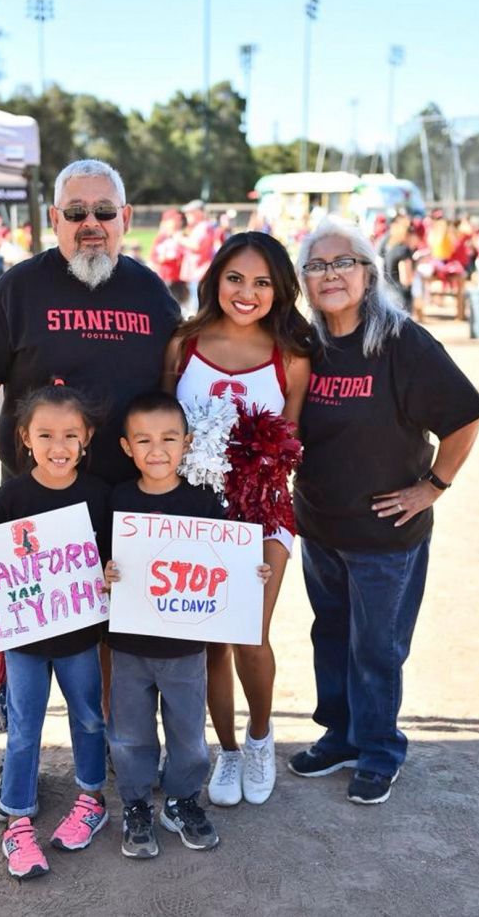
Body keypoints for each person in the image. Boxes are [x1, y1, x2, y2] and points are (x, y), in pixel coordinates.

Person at [288, 216, 479, 804]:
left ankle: (379, 749)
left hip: (386, 535)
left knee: (376, 646)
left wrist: (433, 485)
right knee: (330, 633)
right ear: (304, 279)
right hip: (320, 524)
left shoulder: (401, 341)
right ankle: (341, 736)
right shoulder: (306, 344)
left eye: (343, 262)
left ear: (369, 273)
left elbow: (465, 418)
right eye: (317, 265)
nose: (331, 274)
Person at [0, 159, 180, 533]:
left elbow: (176, 382)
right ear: (56, 220)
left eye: (104, 211)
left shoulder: (152, 292)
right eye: (76, 212)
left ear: (125, 217)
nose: (91, 223)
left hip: (129, 508)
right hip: (33, 507)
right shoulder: (19, 287)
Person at [164, 232, 311, 806]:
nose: (246, 293)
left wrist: (256, 457)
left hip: (265, 511)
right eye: (235, 279)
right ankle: (225, 751)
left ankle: (259, 737)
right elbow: (162, 425)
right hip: (197, 512)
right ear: (214, 279)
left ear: (279, 290)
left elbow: (290, 442)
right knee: (209, 644)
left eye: (261, 283)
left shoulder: (292, 356)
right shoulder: (183, 343)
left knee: (250, 633)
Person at [0, 381, 112, 879]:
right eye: (45, 435)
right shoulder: (11, 497)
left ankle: (91, 797)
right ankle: (17, 816)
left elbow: (112, 560)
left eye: (70, 435)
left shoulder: (99, 496)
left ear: (87, 437)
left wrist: (110, 572)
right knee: (24, 727)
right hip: (23, 642)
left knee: (88, 717)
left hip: (80, 639)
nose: (58, 447)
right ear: (24, 438)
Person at [104, 391, 271, 858]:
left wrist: (250, 573)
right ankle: (137, 805)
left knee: (188, 736)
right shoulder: (116, 499)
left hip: (184, 649)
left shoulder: (203, 504)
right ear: (126, 448)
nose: (157, 451)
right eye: (144, 441)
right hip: (129, 645)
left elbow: (227, 563)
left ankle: (181, 802)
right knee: (131, 734)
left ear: (187, 443)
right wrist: (108, 571)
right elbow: (100, 560)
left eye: (169, 439)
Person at [177, 199, 216, 315]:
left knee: (196, 304)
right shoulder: (200, 227)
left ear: (198, 213)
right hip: (196, 272)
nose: (187, 216)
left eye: (190, 213)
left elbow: (196, 246)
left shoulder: (204, 226)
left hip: (199, 272)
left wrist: (179, 238)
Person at [149, 209, 189, 310]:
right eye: (175, 221)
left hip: (181, 278)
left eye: (179, 221)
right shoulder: (161, 238)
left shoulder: (183, 236)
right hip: (166, 276)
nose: (178, 223)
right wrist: (163, 258)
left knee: (182, 306)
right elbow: (153, 257)